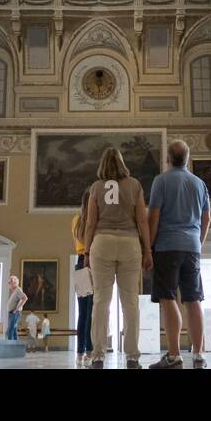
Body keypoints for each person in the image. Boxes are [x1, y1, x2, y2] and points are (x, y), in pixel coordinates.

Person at [82, 146, 153, 369]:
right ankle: (132, 356)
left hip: (102, 242)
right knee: (130, 302)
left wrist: (86, 251)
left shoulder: (95, 187)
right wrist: (148, 250)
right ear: (122, 163)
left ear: (102, 165)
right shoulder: (134, 185)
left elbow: (90, 223)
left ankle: (98, 356)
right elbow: (142, 221)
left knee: (101, 301)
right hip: (130, 242)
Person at [147, 139, 211, 369]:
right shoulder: (199, 183)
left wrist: (149, 247)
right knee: (194, 299)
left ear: (168, 159)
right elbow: (206, 219)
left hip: (167, 247)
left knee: (168, 297)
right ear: (187, 158)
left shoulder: (161, 181)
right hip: (192, 247)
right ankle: (199, 354)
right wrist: (198, 243)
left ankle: (173, 355)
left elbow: (153, 217)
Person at [72, 188, 95, 364]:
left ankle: (79, 353)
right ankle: (90, 351)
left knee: (82, 312)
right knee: (91, 312)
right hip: (93, 262)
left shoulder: (75, 221)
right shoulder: (94, 221)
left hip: (79, 264)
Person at [5, 275, 27, 341]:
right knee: (13, 331)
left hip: (15, 313)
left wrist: (16, 309)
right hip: (11, 313)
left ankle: (10, 348)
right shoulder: (14, 291)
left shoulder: (18, 290)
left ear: (15, 283)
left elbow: (25, 298)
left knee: (10, 331)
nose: (9, 283)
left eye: (10, 282)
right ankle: (15, 348)